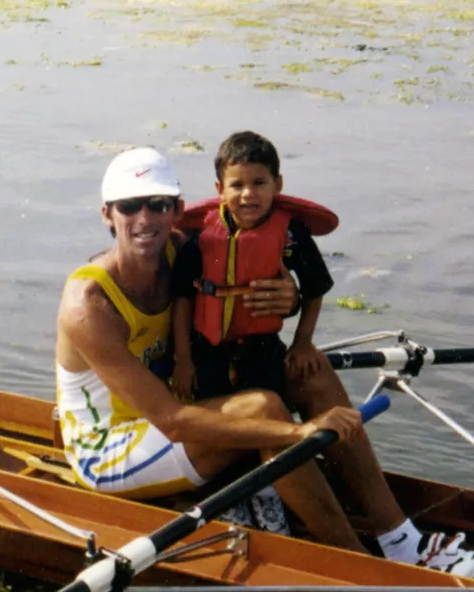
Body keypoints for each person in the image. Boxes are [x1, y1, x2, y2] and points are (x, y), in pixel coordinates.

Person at [53, 147, 447, 565]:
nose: (145, 219)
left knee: (310, 371)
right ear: (107, 214)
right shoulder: (89, 306)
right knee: (264, 409)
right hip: (111, 447)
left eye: (158, 204)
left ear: (177, 210)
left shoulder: (186, 251)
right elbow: (170, 421)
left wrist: (290, 297)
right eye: (130, 207)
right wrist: (298, 433)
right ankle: (357, 564)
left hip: (173, 405)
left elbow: (255, 291)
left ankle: (402, 539)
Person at [171, 131, 333, 405]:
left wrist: (302, 342)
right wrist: (183, 361)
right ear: (219, 189)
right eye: (237, 185)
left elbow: (315, 288)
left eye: (259, 182)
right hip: (206, 352)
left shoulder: (291, 235)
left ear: (277, 184)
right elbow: (183, 299)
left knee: (271, 411)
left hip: (263, 350)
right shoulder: (201, 238)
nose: (248, 194)